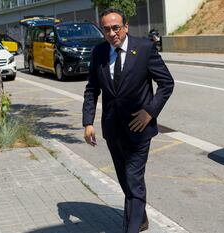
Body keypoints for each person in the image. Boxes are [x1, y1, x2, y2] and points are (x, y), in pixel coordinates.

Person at [82, 8, 174, 233]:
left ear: (125, 27)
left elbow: (166, 83)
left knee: (133, 180)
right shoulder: (99, 53)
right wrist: (88, 122)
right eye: (106, 29)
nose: (112, 33)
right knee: (125, 179)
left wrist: (149, 112)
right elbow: (92, 90)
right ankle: (140, 219)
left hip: (139, 128)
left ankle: (131, 228)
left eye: (116, 27)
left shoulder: (144, 49)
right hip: (113, 129)